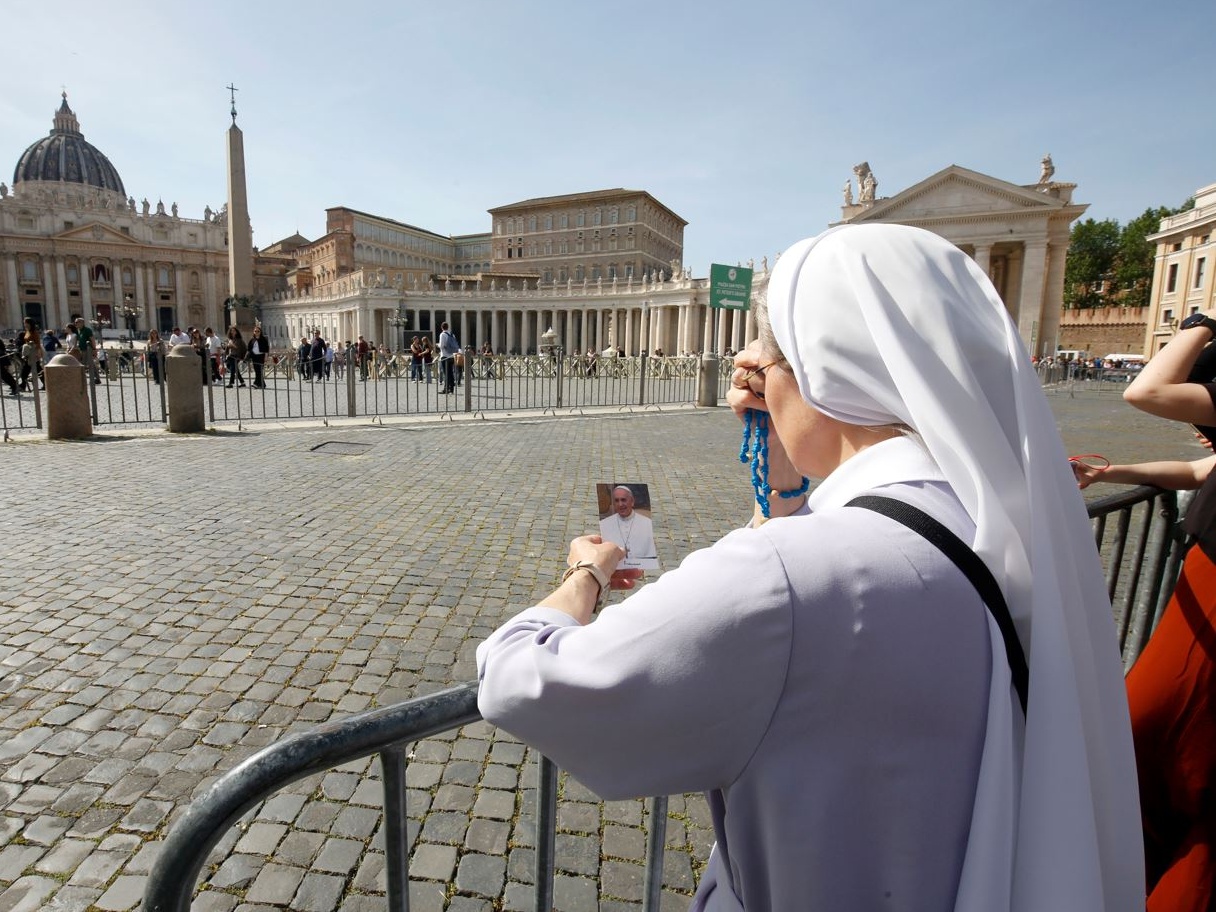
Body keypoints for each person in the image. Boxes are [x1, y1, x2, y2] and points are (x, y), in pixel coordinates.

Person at [477, 224, 1142, 911]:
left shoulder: (782, 578)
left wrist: (585, 573)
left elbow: (518, 680)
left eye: (771, 356)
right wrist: (786, 475)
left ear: (823, 372)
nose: (755, 374)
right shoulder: (998, 523)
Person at [1111, 313, 1216, 909]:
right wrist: (1115, 471)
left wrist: (1202, 324)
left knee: (1149, 732)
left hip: (1212, 601)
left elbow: (1143, 391)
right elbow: (1201, 472)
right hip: (1198, 589)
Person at [597, 486, 657, 569]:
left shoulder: (647, 523)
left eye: (623, 500)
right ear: (613, 504)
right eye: (616, 501)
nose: (620, 504)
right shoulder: (605, 524)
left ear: (632, 502)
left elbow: (651, 557)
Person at [74, 317, 100, 384]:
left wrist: (94, 349)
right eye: (75, 322)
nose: (75, 324)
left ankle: (83, 378)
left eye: (77, 322)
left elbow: (92, 339)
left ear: (82, 323)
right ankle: (96, 378)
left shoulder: (87, 330)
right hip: (82, 350)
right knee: (90, 364)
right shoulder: (79, 331)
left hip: (88, 349)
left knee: (85, 364)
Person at [438, 322, 459, 393]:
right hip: (452, 356)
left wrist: (437, 345)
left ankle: (446, 388)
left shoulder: (442, 334)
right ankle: (452, 388)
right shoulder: (452, 335)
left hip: (444, 356)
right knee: (450, 373)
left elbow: (441, 345)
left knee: (445, 373)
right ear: (448, 327)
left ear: (442, 327)